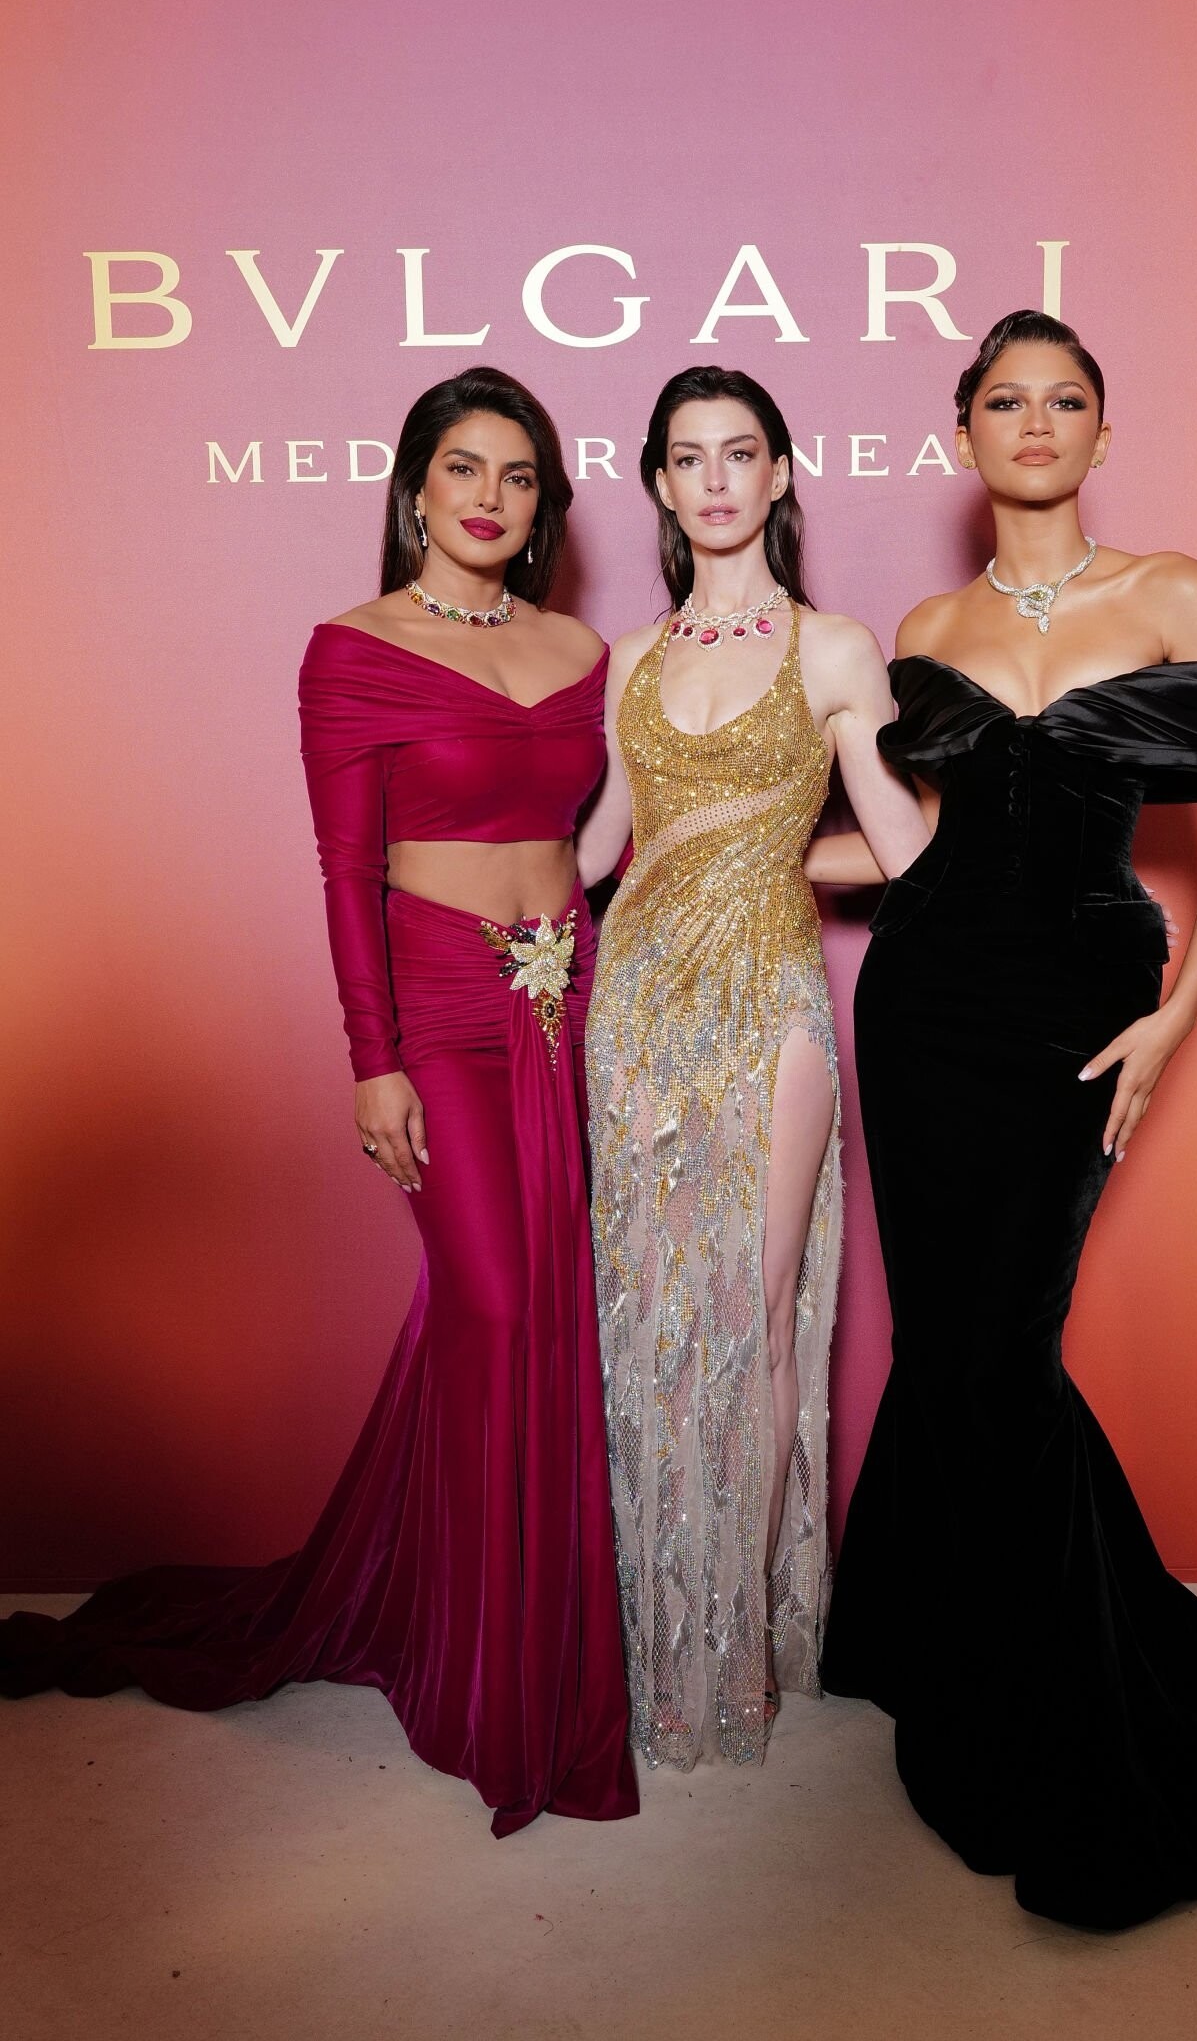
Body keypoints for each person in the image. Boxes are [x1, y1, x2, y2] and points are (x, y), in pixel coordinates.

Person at [0, 367, 638, 1838]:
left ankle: (494, 1621)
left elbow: (598, 838)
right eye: (462, 467)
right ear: (414, 488)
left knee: (554, 1310)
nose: (489, 497)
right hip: (443, 1010)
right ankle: (483, 1673)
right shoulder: (354, 650)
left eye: (519, 475)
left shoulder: (580, 649)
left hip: (573, 1001)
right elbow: (347, 874)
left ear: (544, 502)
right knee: (495, 1307)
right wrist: (375, 1057)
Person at [820, 310, 1197, 1925]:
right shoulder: (924, 624)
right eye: (1005, 400)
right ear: (965, 435)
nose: (1035, 422)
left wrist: (1173, 1015)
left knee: (1000, 1345)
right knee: (951, 1345)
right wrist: (718, 863)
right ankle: (974, 1659)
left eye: (1063, 400)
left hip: (1081, 1001)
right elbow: (915, 845)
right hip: (923, 1002)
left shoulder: (1170, 589)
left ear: (1100, 435)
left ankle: (1074, 1685)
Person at [576, 366, 928, 1767]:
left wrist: (764, 851)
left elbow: (902, 849)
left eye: (741, 453)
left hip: (768, 1003)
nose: (716, 479)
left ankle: (741, 1647)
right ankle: (655, 1634)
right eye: (689, 457)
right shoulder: (629, 659)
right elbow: (601, 847)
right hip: (634, 1006)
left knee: (757, 1315)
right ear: (661, 486)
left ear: (780, 473)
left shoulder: (834, 649)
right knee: (643, 1315)